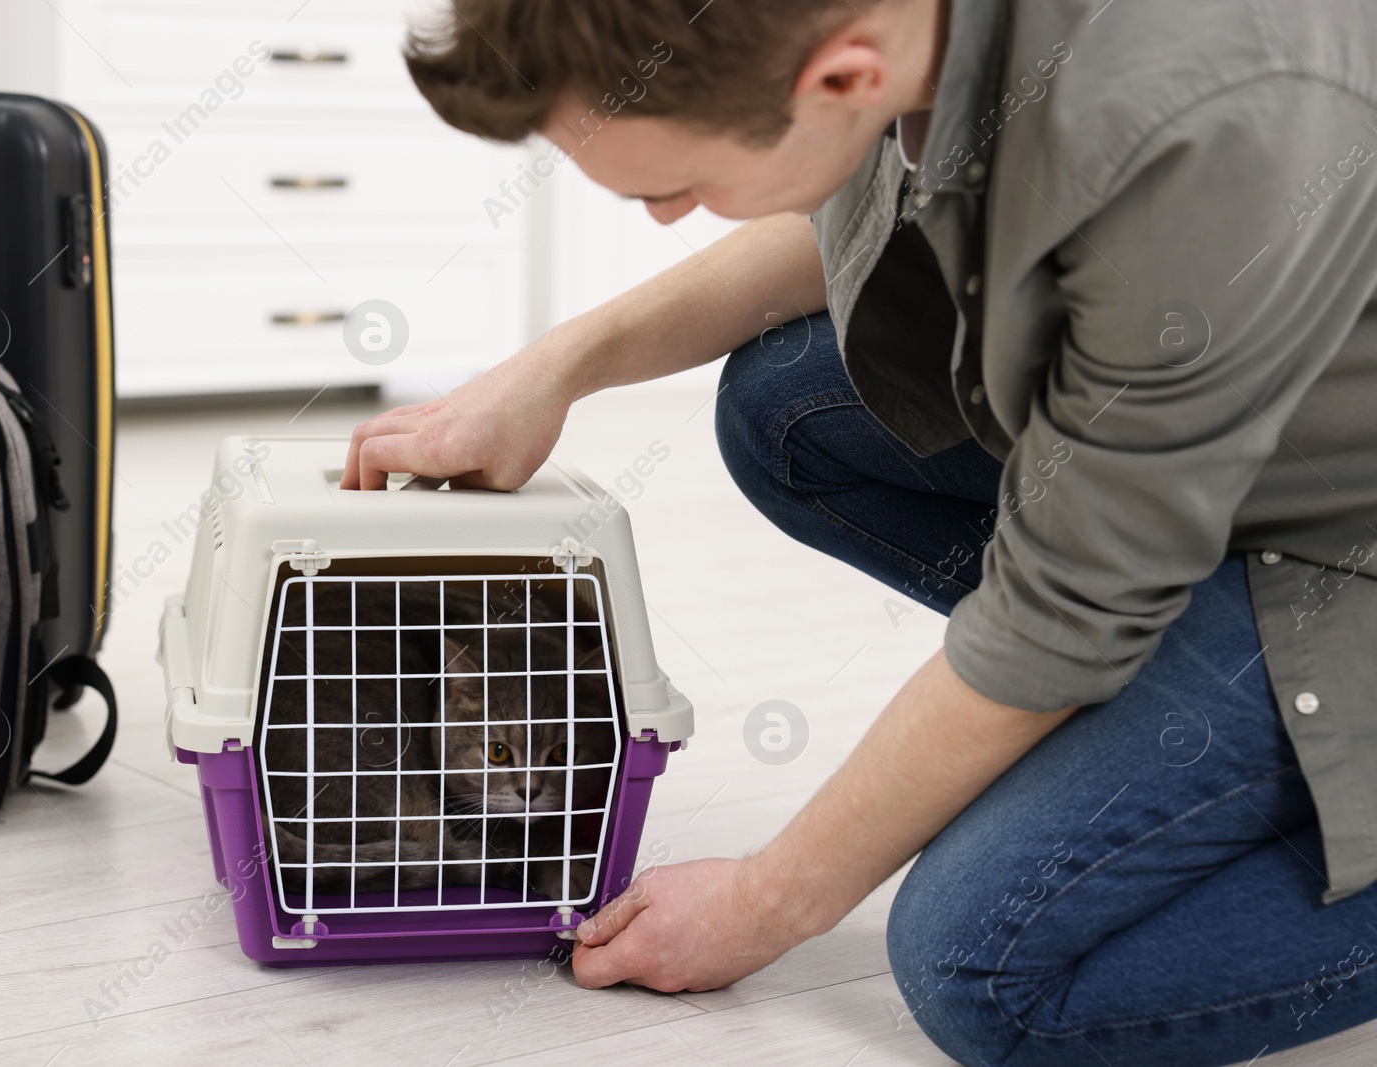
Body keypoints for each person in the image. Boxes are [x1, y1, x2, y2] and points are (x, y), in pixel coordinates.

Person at [340, 2, 1377, 1063]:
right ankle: (1168, 680)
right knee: (789, 404)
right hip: (1225, 444)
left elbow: (1062, 610)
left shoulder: (1203, 123)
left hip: (1341, 544)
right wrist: (553, 370)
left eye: (673, 188)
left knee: (985, 967)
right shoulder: (884, 38)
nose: (664, 218)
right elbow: (843, 209)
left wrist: (763, 897)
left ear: (841, 79)